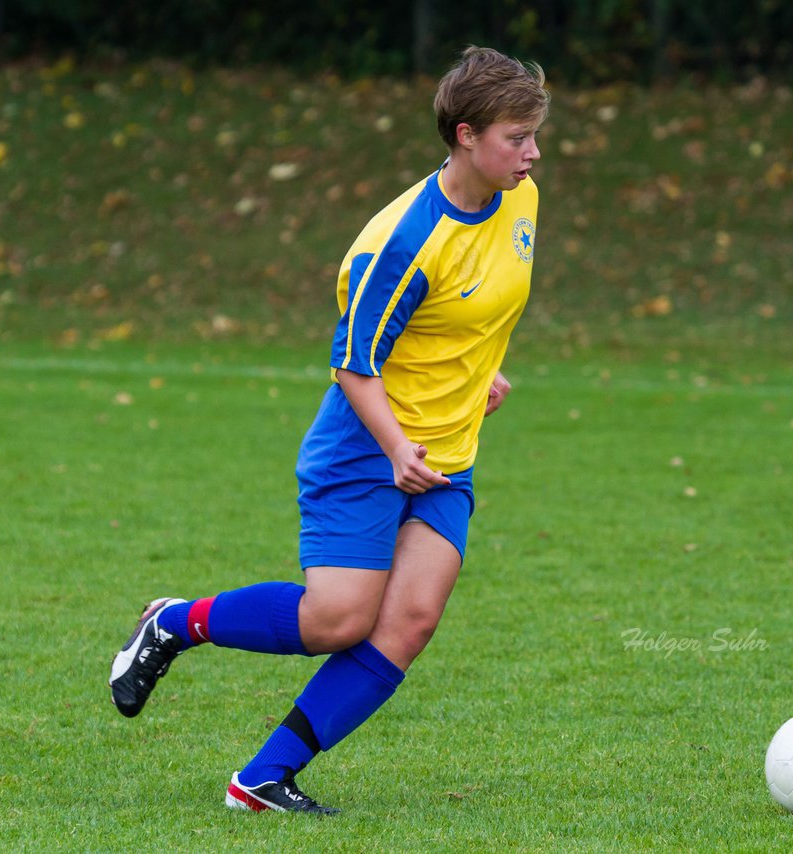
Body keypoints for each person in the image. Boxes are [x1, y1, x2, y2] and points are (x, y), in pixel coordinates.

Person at [109, 45, 549, 814]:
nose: (533, 153)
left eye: (536, 135)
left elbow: (478, 307)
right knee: (338, 619)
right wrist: (395, 448)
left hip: (447, 457)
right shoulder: (400, 240)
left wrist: (481, 372)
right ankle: (174, 623)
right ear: (466, 136)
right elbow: (354, 363)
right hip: (365, 451)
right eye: (518, 137)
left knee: (409, 623)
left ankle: (262, 780)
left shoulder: (522, 200)